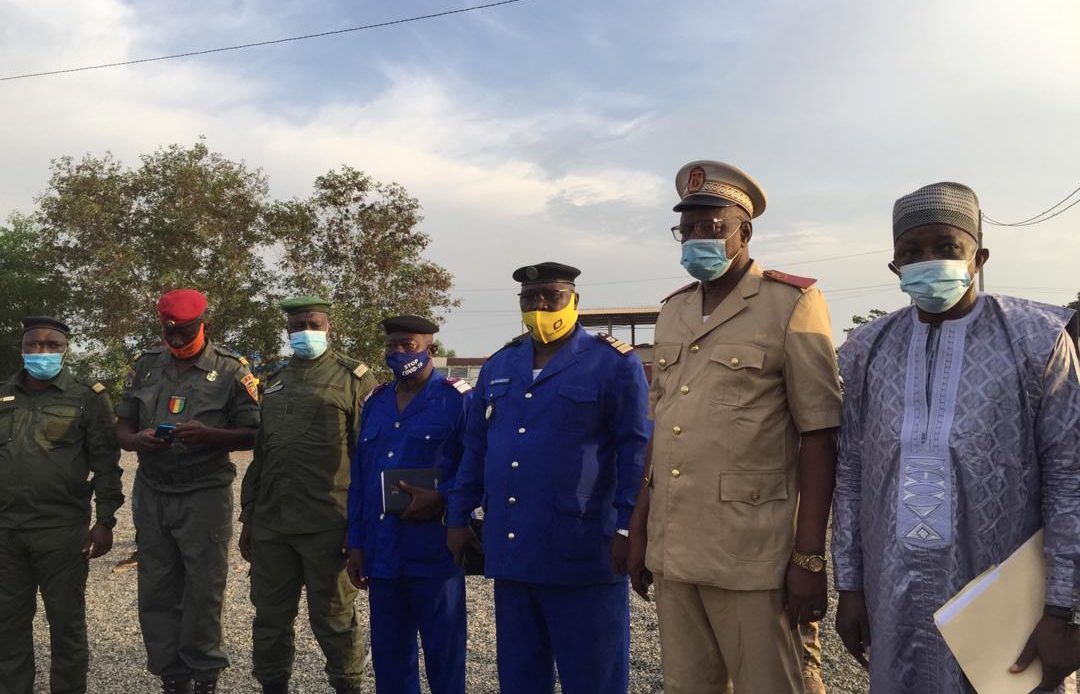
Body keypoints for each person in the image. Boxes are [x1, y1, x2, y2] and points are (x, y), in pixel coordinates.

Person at [832, 182, 1080, 692]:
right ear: (894, 266)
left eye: (946, 247)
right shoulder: (868, 349)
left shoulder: (1038, 339)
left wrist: (1063, 609)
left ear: (978, 256)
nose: (928, 261)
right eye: (911, 252)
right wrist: (851, 587)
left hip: (1005, 607)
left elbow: (1069, 478)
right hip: (892, 595)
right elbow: (851, 472)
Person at [627, 160, 842, 694]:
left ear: (744, 231)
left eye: (712, 227)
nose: (698, 238)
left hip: (755, 556)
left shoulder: (790, 302)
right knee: (688, 687)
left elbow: (819, 434)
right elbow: (662, 429)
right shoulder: (674, 310)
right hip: (677, 550)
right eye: (689, 229)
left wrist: (809, 556)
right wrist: (640, 529)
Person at [446, 262, 650, 694]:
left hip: (583, 551)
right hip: (514, 550)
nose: (539, 306)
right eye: (529, 299)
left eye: (550, 297)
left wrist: (628, 527)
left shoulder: (611, 364)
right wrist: (458, 514)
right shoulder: (501, 364)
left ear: (574, 301)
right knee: (520, 678)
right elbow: (476, 447)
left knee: (593, 678)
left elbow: (635, 452)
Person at [115, 289, 260, 694]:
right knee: (157, 586)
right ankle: (172, 676)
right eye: (170, 333)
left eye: (187, 333)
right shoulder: (145, 366)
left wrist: (212, 436)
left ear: (204, 325)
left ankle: (205, 675)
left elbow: (254, 432)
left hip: (205, 492)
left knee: (203, 587)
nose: (177, 341)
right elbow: (121, 426)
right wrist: (136, 441)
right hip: (154, 489)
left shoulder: (232, 370)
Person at [240, 296, 376, 694]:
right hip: (272, 525)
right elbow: (262, 456)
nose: (306, 332)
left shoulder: (354, 379)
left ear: (329, 327)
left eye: (314, 324)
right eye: (298, 325)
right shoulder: (276, 381)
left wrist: (359, 531)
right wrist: (250, 517)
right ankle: (272, 685)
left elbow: (367, 460)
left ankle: (348, 685)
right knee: (269, 619)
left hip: (328, 523)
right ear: (288, 331)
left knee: (334, 618)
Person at [346, 314, 471, 694]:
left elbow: (475, 468)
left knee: (444, 655)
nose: (398, 353)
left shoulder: (456, 399)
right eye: (392, 346)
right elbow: (361, 476)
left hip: (434, 550)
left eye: (408, 345)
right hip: (383, 551)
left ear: (430, 347)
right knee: (390, 656)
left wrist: (446, 499)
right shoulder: (377, 402)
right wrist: (355, 542)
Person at [0, 316, 123, 694]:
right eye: (33, 345)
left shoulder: (87, 397)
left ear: (65, 349)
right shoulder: (3, 395)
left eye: (52, 345)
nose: (42, 352)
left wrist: (105, 521)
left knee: (66, 625)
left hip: (62, 532)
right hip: (6, 533)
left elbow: (105, 463)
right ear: (21, 348)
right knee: (7, 626)